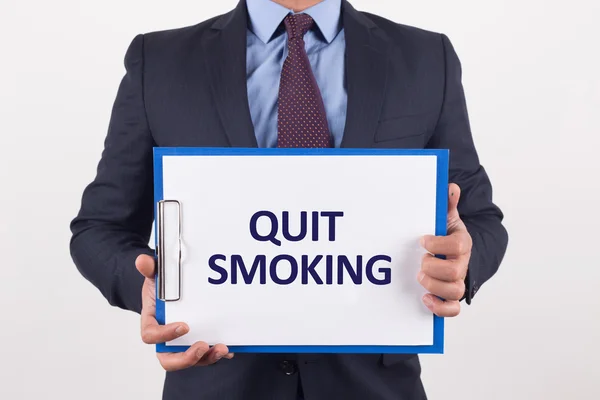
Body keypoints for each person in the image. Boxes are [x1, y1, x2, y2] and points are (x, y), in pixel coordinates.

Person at [69, 0, 508, 398]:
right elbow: (99, 228)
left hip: (374, 388)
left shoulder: (425, 58)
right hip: (217, 382)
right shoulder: (161, 61)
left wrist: (464, 259)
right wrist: (151, 288)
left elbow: (478, 218)